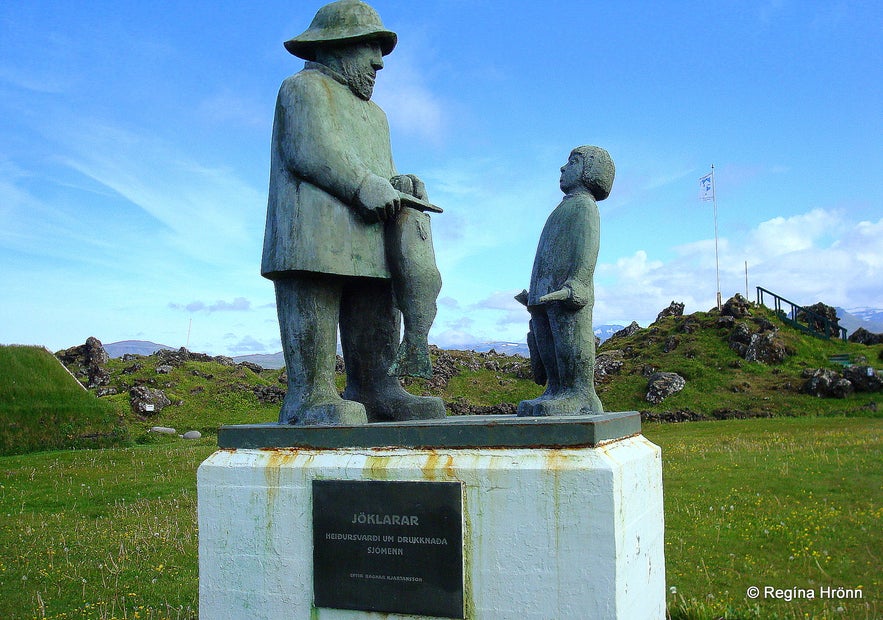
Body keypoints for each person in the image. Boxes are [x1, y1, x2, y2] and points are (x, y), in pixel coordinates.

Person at [261, 0, 445, 425]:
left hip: (370, 239)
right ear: (338, 46)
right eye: (370, 48)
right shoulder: (302, 88)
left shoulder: (376, 116)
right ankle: (309, 396)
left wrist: (401, 183)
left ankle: (376, 386)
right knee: (315, 297)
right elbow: (309, 150)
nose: (379, 63)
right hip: (311, 233)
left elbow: (381, 170)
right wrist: (363, 184)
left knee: (378, 303)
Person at [516, 146, 615, 417]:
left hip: (566, 293)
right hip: (545, 293)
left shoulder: (584, 207)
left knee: (569, 339)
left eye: (572, 162)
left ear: (589, 171)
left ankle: (578, 393)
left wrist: (578, 283)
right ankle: (555, 389)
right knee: (544, 340)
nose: (563, 168)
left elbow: (587, 248)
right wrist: (535, 292)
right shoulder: (563, 208)